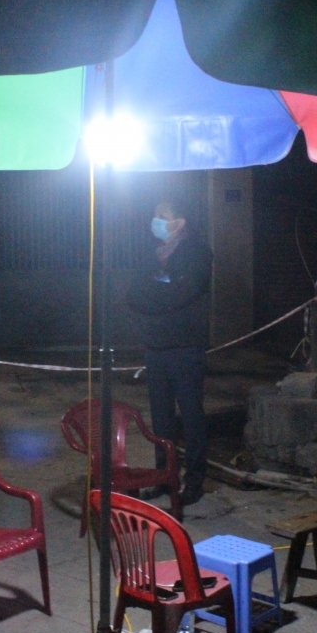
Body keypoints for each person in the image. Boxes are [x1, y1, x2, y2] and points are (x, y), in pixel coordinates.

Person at [126, 199, 213, 507]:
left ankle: (194, 481)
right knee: (161, 420)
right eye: (155, 214)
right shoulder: (151, 254)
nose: (156, 221)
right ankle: (165, 477)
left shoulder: (198, 253)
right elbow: (133, 293)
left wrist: (155, 293)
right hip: (156, 348)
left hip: (185, 348)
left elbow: (183, 292)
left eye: (163, 216)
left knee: (191, 418)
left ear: (180, 221)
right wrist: (161, 291)